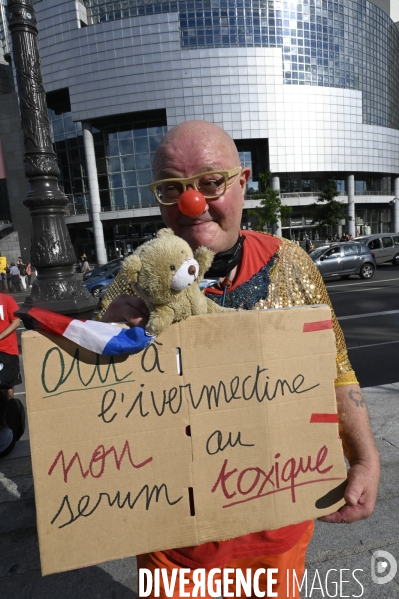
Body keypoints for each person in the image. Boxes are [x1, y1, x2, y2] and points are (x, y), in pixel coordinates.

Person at [98, 121, 379, 597]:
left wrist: (366, 458)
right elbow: (102, 407)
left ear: (243, 182)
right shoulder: (135, 282)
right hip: (175, 542)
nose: (193, 201)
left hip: (276, 528)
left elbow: (334, 367)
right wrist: (105, 339)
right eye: (173, 188)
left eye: (211, 182)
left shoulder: (290, 262)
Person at [0, 292, 25, 458]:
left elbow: (16, 321)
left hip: (7, 352)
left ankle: (8, 423)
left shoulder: (6, 299)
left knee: (7, 389)